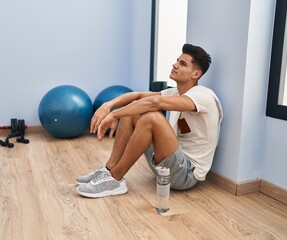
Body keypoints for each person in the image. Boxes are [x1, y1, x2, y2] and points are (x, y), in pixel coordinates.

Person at [76, 43, 223, 198]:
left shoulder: (203, 96)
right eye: (177, 61)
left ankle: (115, 180)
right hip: (165, 167)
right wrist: (109, 105)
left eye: (182, 64)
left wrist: (113, 115)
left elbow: (154, 103)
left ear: (196, 74)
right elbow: (137, 96)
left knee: (151, 116)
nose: (175, 65)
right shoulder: (175, 92)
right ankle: (109, 169)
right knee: (132, 111)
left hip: (186, 174)